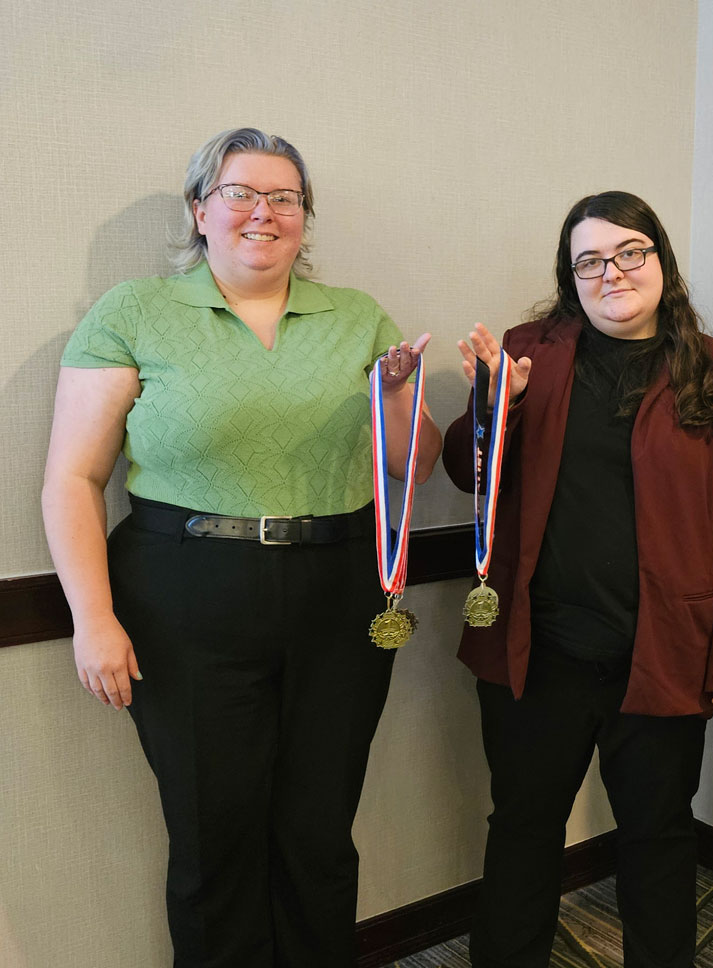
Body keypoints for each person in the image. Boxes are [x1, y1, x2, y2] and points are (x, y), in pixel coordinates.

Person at [41, 127, 442, 967]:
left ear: (305, 217)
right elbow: (74, 480)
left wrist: (399, 394)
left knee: (320, 832)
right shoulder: (135, 312)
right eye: (241, 193)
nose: (265, 212)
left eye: (285, 197)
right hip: (183, 598)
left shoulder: (358, 316)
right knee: (212, 837)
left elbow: (412, 463)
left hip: (340, 594)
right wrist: (93, 618)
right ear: (201, 208)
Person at [441, 191, 713, 968]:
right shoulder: (527, 352)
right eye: (589, 260)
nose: (611, 271)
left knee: (657, 838)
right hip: (536, 654)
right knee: (522, 831)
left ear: (660, 260)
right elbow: (466, 471)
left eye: (630, 252)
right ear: (570, 276)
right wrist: (496, 406)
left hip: (662, 657)